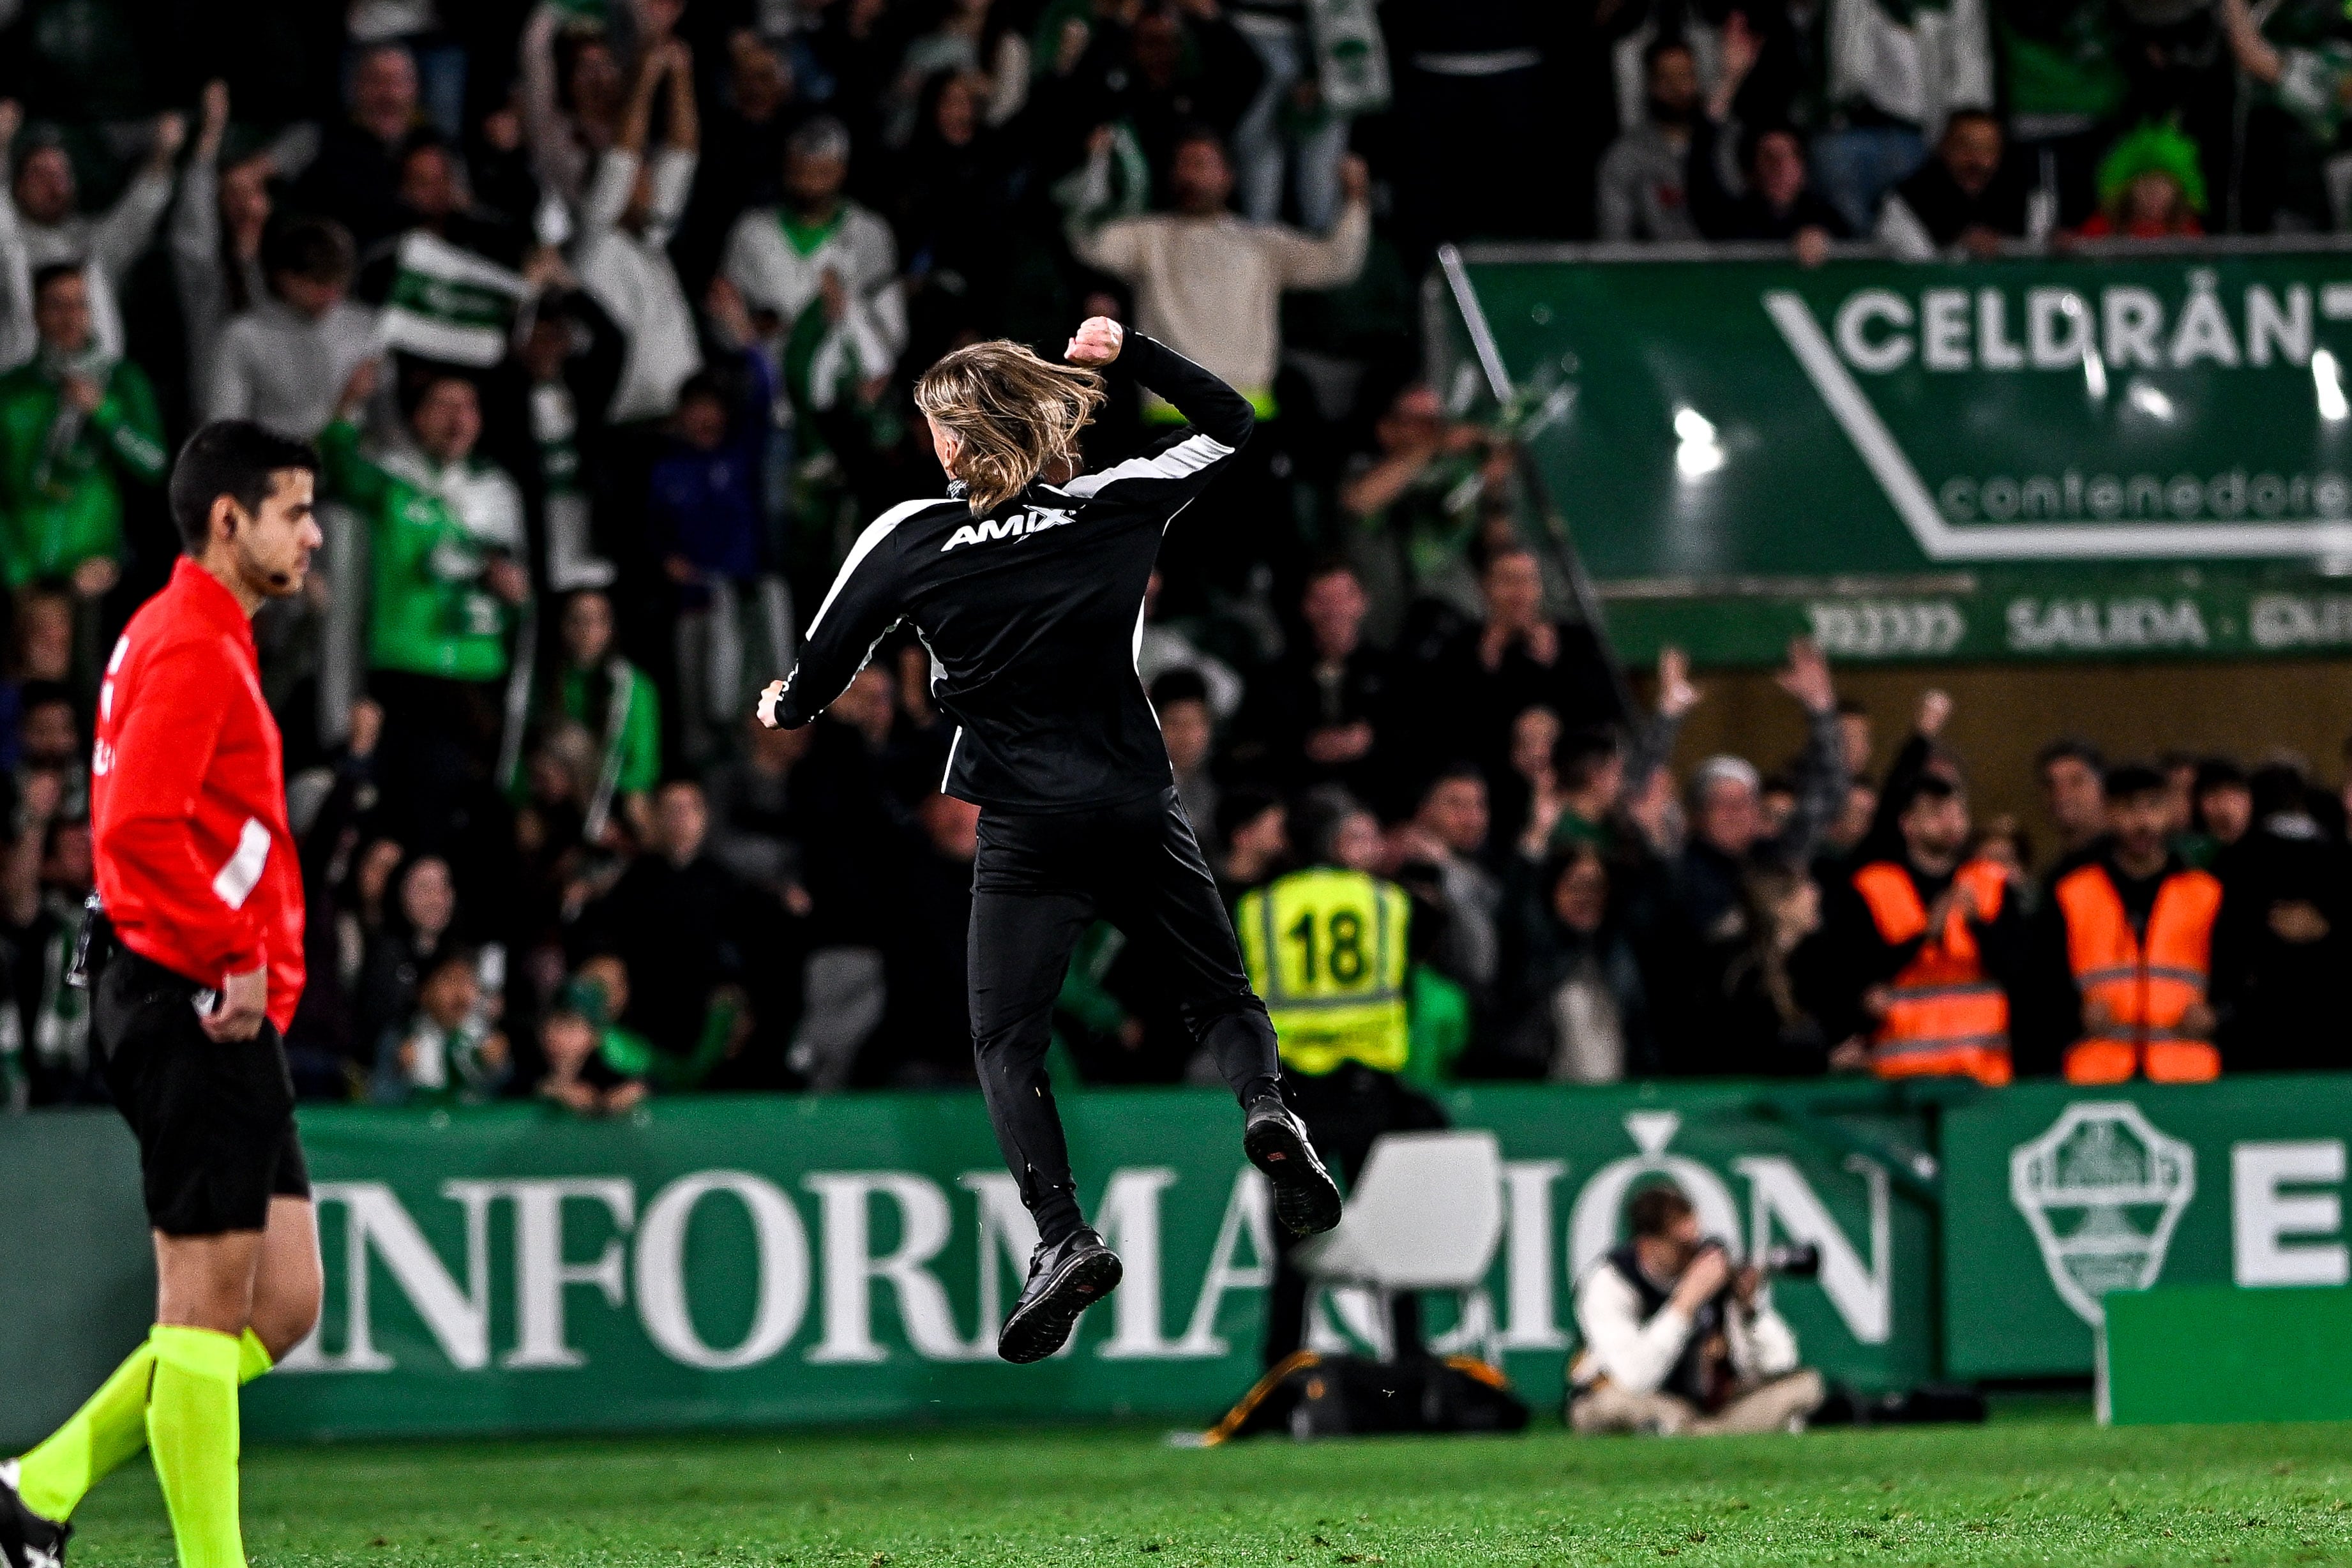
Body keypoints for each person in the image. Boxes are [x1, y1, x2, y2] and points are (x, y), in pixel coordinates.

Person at [756, 316, 1341, 1365]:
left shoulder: (907, 538)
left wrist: (782, 705)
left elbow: (816, 675)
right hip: (1133, 803)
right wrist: (1133, 358)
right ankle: (1264, 1111)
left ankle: (1063, 1236)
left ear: (951, 440)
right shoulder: (1106, 504)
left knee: (1007, 1043)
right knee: (1218, 995)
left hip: (1025, 827)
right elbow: (1231, 422)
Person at [0, 421, 326, 1567]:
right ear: (229, 520)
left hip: (205, 990)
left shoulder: (188, 630)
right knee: (199, 1312)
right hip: (191, 993)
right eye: (293, 509)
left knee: (280, 1301)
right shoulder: (192, 640)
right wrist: (231, 950)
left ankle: (37, 1487)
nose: (313, 531)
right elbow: (133, 830)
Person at [1239, 789, 1445, 1368]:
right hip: (1371, 1090)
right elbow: (1416, 969)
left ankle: (1277, 1377)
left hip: (1295, 1094)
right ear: (1332, 842)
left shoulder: (1261, 906)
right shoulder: (1387, 902)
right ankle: (1408, 1365)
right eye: (1355, 836)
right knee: (1394, 1234)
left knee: (1293, 1246)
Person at [1569, 1182, 1823, 1436]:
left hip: (1703, 1410)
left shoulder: (1710, 1273)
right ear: (1648, 1245)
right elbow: (1636, 1378)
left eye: (1696, 1241)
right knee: (1612, 1405)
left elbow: (1779, 1362)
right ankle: (1711, 1435)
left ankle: (1694, 1435)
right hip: (1642, 1400)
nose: (1692, 1254)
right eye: (1682, 1246)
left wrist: (1748, 1310)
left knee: (1807, 1386)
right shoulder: (1609, 1282)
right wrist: (1685, 1303)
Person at [2027, 762, 2223, 1083]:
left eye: (2153, 807)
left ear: (2171, 812)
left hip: (2187, 1076)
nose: (2143, 822)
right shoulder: (2072, 892)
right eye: (2129, 808)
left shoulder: (2206, 893)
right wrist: (2074, 1017)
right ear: (2108, 813)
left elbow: (2238, 978)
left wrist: (2217, 1015)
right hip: (2098, 1077)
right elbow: (2040, 985)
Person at [1825, 772, 2021, 1085]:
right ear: (1908, 824)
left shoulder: (1992, 883)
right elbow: (1854, 978)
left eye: (1956, 810)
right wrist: (1923, 937)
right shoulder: (1872, 887)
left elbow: (2019, 971)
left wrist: (1977, 926)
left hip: (1982, 1077)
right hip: (1901, 1079)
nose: (1949, 821)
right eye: (1935, 812)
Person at [0, 264, 165, 595]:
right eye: (56, 305)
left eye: (79, 304)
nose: (70, 316)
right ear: (36, 314)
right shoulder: (11, 392)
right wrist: (16, 573)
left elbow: (154, 465)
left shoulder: (122, 381)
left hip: (96, 574)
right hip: (22, 576)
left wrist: (103, 412)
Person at [1876, 110, 2029, 259]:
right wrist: (1961, 248)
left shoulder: (2029, 199)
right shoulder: (1904, 201)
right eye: (1965, 147)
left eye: (1987, 149)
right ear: (1943, 148)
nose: (1976, 160)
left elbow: (2039, 254)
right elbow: (1915, 267)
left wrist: (2003, 247)